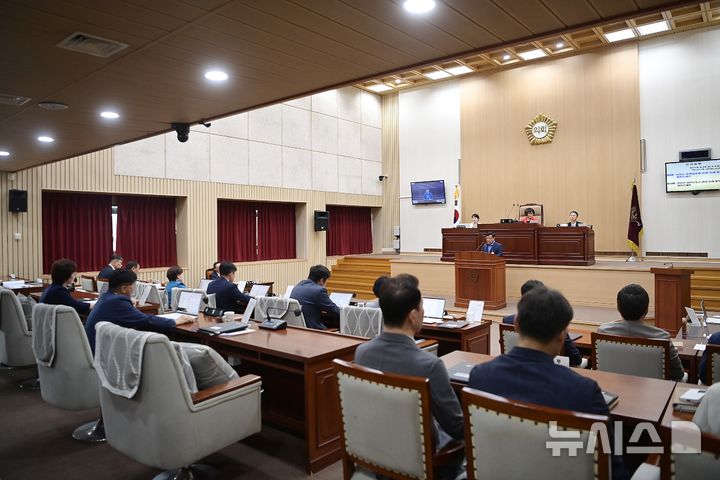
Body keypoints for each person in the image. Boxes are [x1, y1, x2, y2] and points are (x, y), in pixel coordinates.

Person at [468, 287, 627, 480]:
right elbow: (612, 470)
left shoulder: (479, 376)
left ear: (516, 325)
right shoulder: (584, 392)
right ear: (562, 335)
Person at [354, 274, 464, 477]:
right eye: (422, 308)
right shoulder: (430, 365)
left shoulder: (362, 352)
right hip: (419, 463)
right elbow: (457, 428)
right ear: (413, 316)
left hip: (374, 450)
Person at [84, 269, 192, 353]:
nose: (134, 289)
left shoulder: (106, 297)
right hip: (104, 351)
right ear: (124, 288)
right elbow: (145, 320)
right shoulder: (117, 301)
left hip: (97, 346)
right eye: (133, 286)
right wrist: (175, 321)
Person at [598, 284, 684, 381]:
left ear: (618, 307)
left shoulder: (603, 332)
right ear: (646, 310)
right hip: (654, 394)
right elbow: (678, 374)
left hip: (613, 391)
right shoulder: (662, 337)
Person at [502, 279, 584, 367]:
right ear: (561, 336)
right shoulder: (556, 325)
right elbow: (576, 359)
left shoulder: (507, 321)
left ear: (516, 325)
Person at [290, 265, 340, 330]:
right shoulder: (319, 291)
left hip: (298, 329)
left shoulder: (298, 286)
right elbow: (334, 311)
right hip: (313, 331)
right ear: (322, 280)